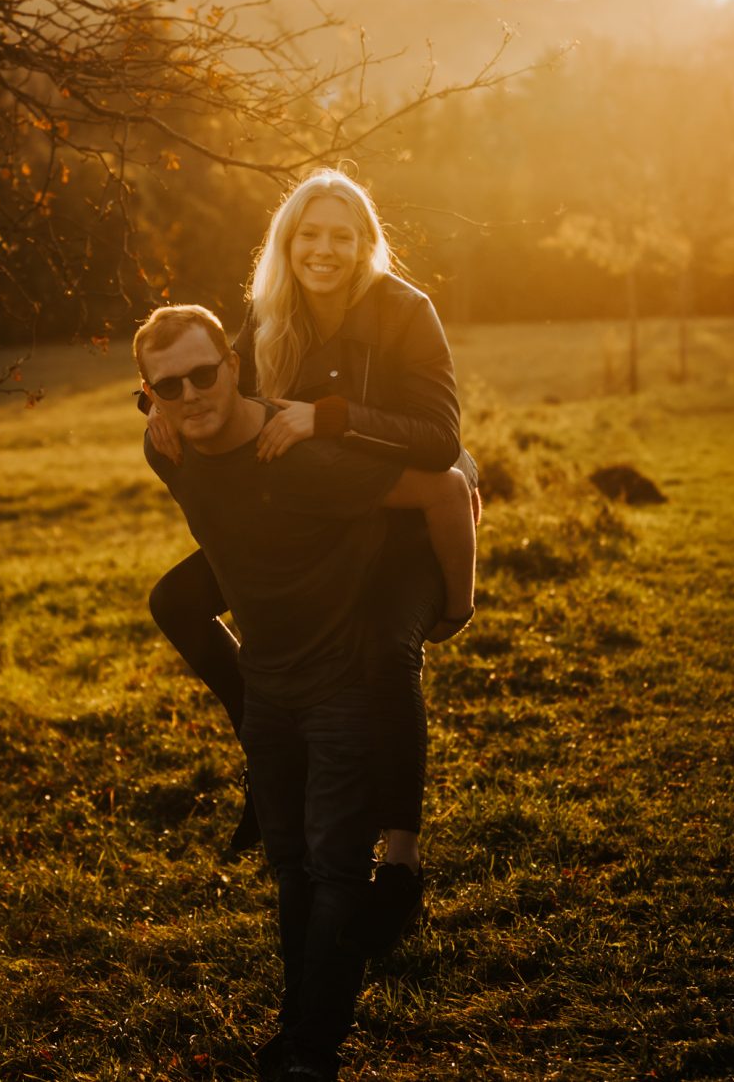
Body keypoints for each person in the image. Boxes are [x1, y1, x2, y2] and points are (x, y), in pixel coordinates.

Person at [135, 304, 474, 1082]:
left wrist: (455, 609)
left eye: (204, 372)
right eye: (168, 385)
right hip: (268, 690)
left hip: (344, 684)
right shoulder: (169, 452)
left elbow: (447, 490)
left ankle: (308, 1054)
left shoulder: (299, 454)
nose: (191, 394)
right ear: (147, 393)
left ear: (233, 360)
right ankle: (301, 1026)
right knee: (290, 866)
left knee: (331, 870)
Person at [146, 169, 479, 954]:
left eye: (341, 235)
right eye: (309, 234)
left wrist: (324, 417)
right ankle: (269, 759)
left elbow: (441, 442)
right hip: (312, 524)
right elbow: (210, 383)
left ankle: (398, 860)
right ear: (287, 242)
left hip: (397, 526)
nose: (323, 249)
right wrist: (156, 408)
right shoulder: (265, 315)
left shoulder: (404, 312)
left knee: (384, 652)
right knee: (177, 601)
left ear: (365, 245)